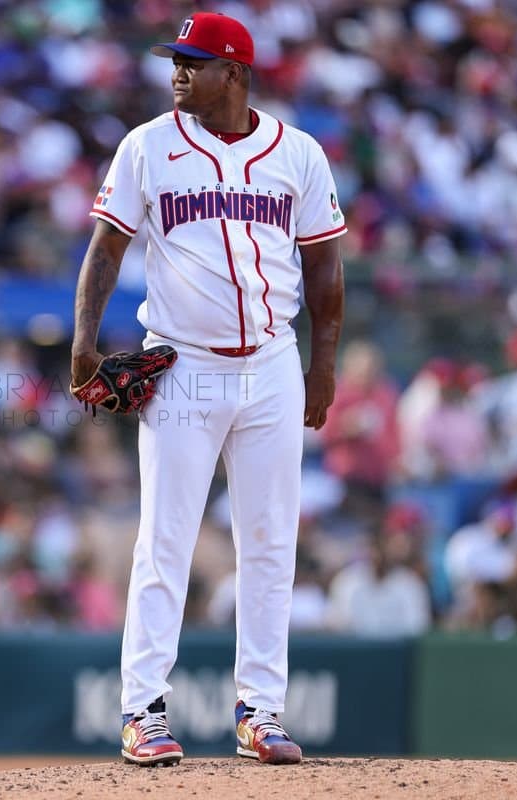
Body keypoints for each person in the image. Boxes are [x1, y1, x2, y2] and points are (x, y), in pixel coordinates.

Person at [70, 12, 345, 767]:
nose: (179, 72)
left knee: (270, 542)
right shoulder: (147, 147)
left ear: (237, 73)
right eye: (177, 60)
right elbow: (107, 248)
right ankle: (142, 711)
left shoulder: (298, 154)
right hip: (183, 362)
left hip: (272, 365)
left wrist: (323, 364)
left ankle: (261, 710)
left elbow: (323, 268)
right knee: (166, 539)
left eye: (196, 61)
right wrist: (85, 341)